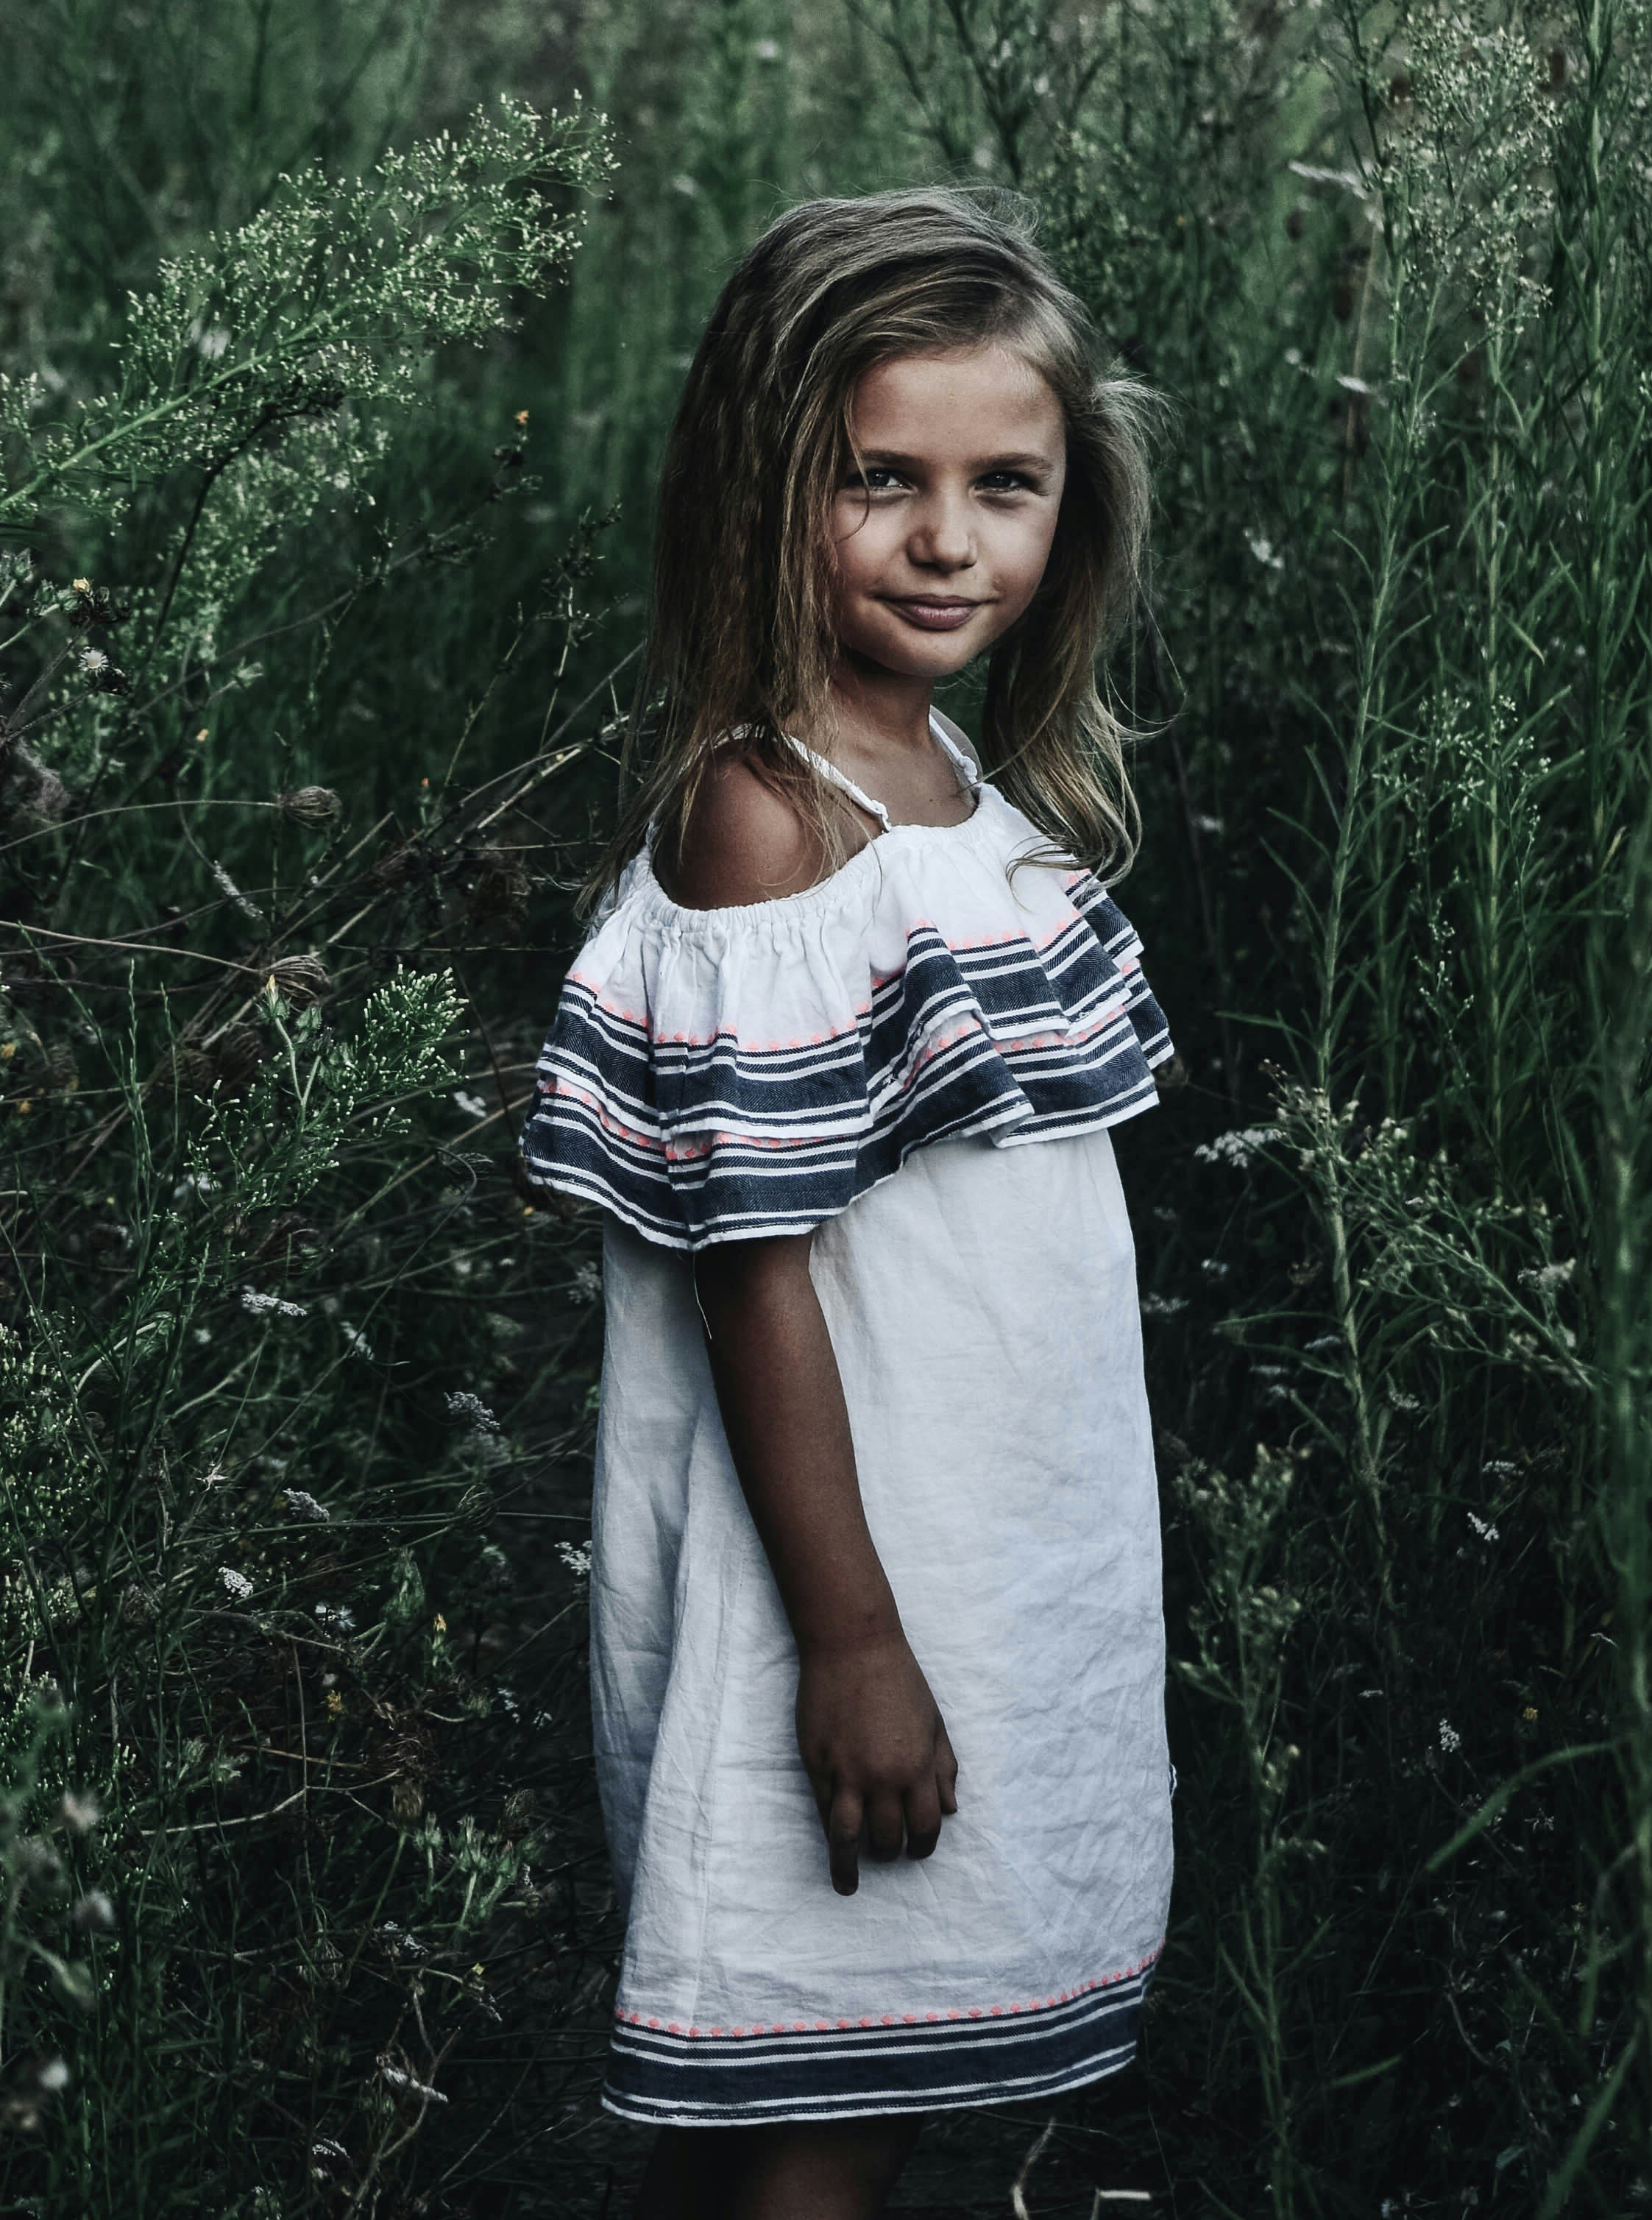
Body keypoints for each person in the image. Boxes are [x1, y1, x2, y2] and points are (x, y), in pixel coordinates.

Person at [522, 190, 1175, 2220]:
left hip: (981, 1522)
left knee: (867, 2074)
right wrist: (855, 1643)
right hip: (850, 1552)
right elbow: (753, 1270)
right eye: (878, 481)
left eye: (1007, 485)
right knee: (819, 2088)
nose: (946, 538)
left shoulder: (961, 783)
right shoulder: (770, 810)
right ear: (765, 482)